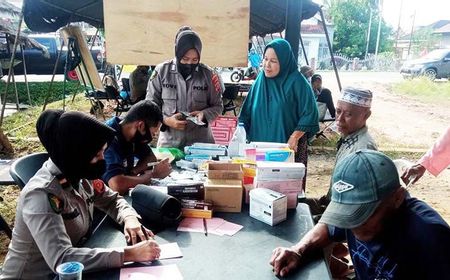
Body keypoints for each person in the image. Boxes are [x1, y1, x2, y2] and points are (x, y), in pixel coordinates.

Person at [1, 110, 160, 279]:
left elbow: (112, 200)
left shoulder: (80, 175)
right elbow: (63, 259)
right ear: (76, 155)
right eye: (96, 155)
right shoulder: (40, 195)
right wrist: (128, 254)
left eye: (103, 152)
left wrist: (130, 218)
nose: (102, 160)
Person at [270, 150, 450, 279]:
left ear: (397, 198)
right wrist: (298, 250)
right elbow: (327, 226)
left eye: (361, 214)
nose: (352, 224)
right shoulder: (354, 215)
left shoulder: (432, 238)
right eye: (345, 213)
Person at [239, 38, 319, 190]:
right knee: (259, 191)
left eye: (274, 61)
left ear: (284, 61)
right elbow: (247, 112)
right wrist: (241, 131)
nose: (267, 65)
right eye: (265, 59)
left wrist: (295, 136)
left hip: (287, 149)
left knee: (285, 192)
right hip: (260, 150)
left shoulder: (297, 82)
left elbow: (310, 112)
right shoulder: (260, 81)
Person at [146, 26, 224, 149]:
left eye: (195, 60)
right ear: (177, 53)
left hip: (201, 144)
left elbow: (218, 106)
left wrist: (204, 114)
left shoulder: (208, 75)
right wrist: (166, 120)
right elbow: (150, 106)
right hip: (170, 143)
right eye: (185, 59)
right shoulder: (162, 71)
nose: (189, 64)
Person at [306, 87, 377, 215]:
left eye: (348, 114)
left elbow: (354, 205)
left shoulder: (363, 150)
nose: (339, 119)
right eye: (338, 111)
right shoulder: (349, 138)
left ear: (366, 115)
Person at [102, 100, 172, 195]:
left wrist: (134, 172)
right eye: (152, 133)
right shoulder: (109, 138)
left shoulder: (133, 134)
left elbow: (150, 158)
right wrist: (153, 174)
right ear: (141, 125)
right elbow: (117, 186)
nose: (152, 137)